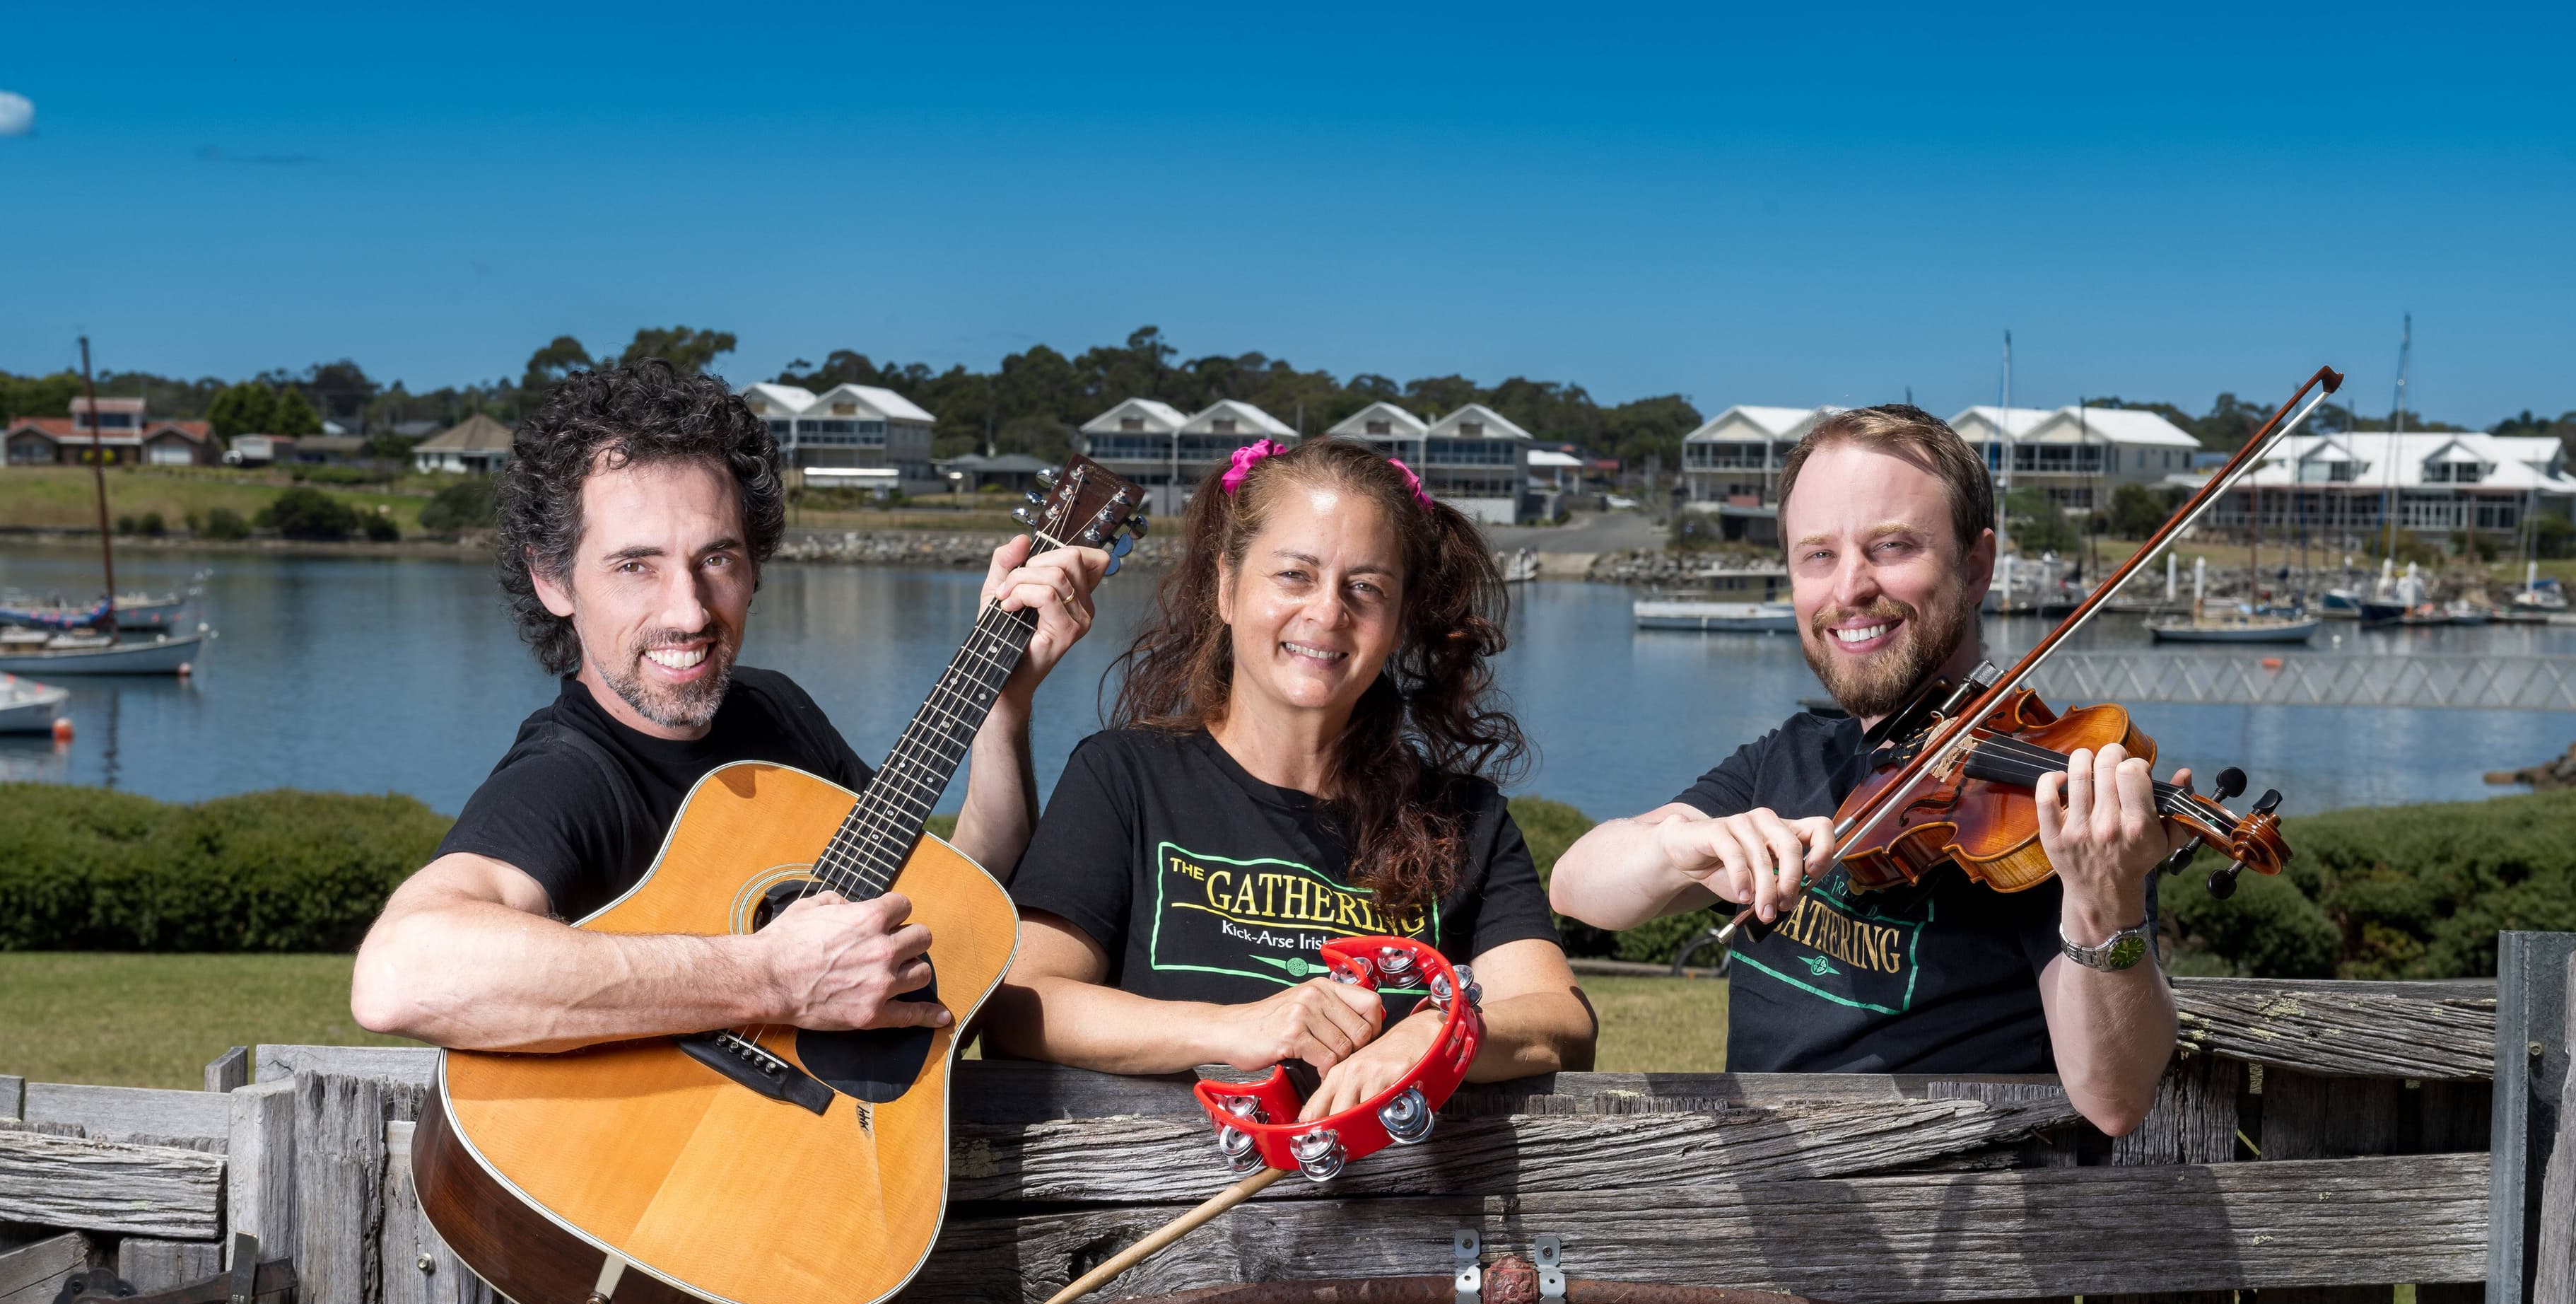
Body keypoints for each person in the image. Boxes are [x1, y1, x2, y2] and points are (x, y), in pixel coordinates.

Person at [351, 361, 1109, 1051]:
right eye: (634, 566)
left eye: (716, 558)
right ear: (553, 581)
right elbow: (399, 974)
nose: (688, 611)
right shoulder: (568, 775)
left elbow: (954, 891)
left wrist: (1005, 705)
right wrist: (768, 977)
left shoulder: (773, 710)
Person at [1550, 405, 2184, 1136]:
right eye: (1817, 555)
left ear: (1975, 568)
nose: (1848, 588)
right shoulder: (1791, 755)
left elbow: (2115, 1098)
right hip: (1759, 1213)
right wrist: (1679, 848)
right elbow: (1575, 887)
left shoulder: (2040, 801)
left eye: (1890, 547)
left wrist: (2105, 904)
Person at [983, 436, 1596, 1114]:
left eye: (1366, 588)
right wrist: (1236, 1027)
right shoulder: (1124, 777)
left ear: (1398, 622)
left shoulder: (1466, 817)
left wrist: (1441, 1033)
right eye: (1294, 576)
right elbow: (1020, 1006)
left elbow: (1561, 1026)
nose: (1328, 613)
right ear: (1226, 587)